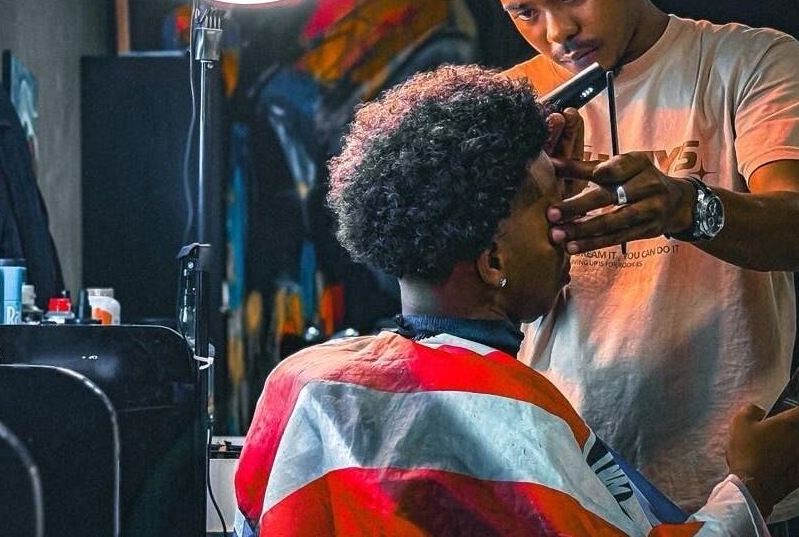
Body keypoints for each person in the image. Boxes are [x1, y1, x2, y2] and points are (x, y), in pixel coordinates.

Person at [232, 64, 799, 536]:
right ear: (494, 262)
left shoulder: (303, 385)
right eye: (551, 205)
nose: (567, 222)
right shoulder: (511, 414)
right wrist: (753, 487)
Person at [479, 0, 799, 525]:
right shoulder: (509, 107)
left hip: (738, 480)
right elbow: (502, 301)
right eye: (525, 11)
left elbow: (793, 226)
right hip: (569, 480)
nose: (557, 30)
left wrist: (691, 208)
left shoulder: (750, 62)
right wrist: (536, 214)